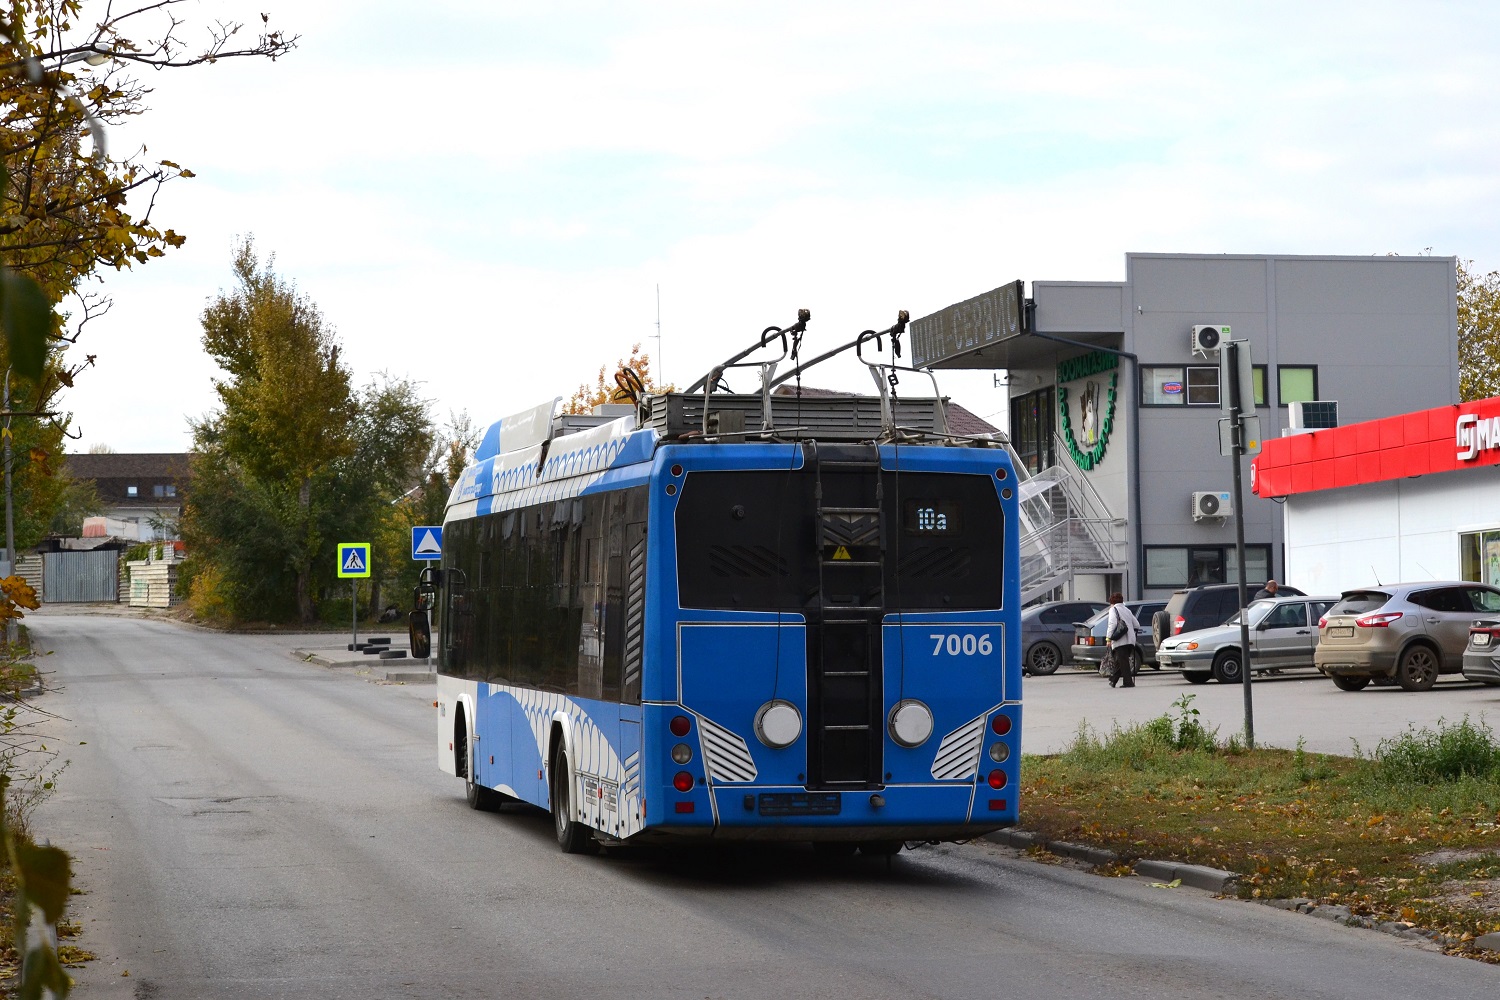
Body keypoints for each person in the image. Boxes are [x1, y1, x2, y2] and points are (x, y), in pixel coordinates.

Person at [1104, 593, 1140, 688]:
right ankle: (1113, 680)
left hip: (1120, 640)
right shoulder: (1127, 610)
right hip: (1131, 640)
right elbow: (1137, 624)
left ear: (1112, 602)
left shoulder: (1113, 609)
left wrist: (1108, 638)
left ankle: (1128, 682)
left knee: (1122, 661)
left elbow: (1112, 624)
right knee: (1120, 661)